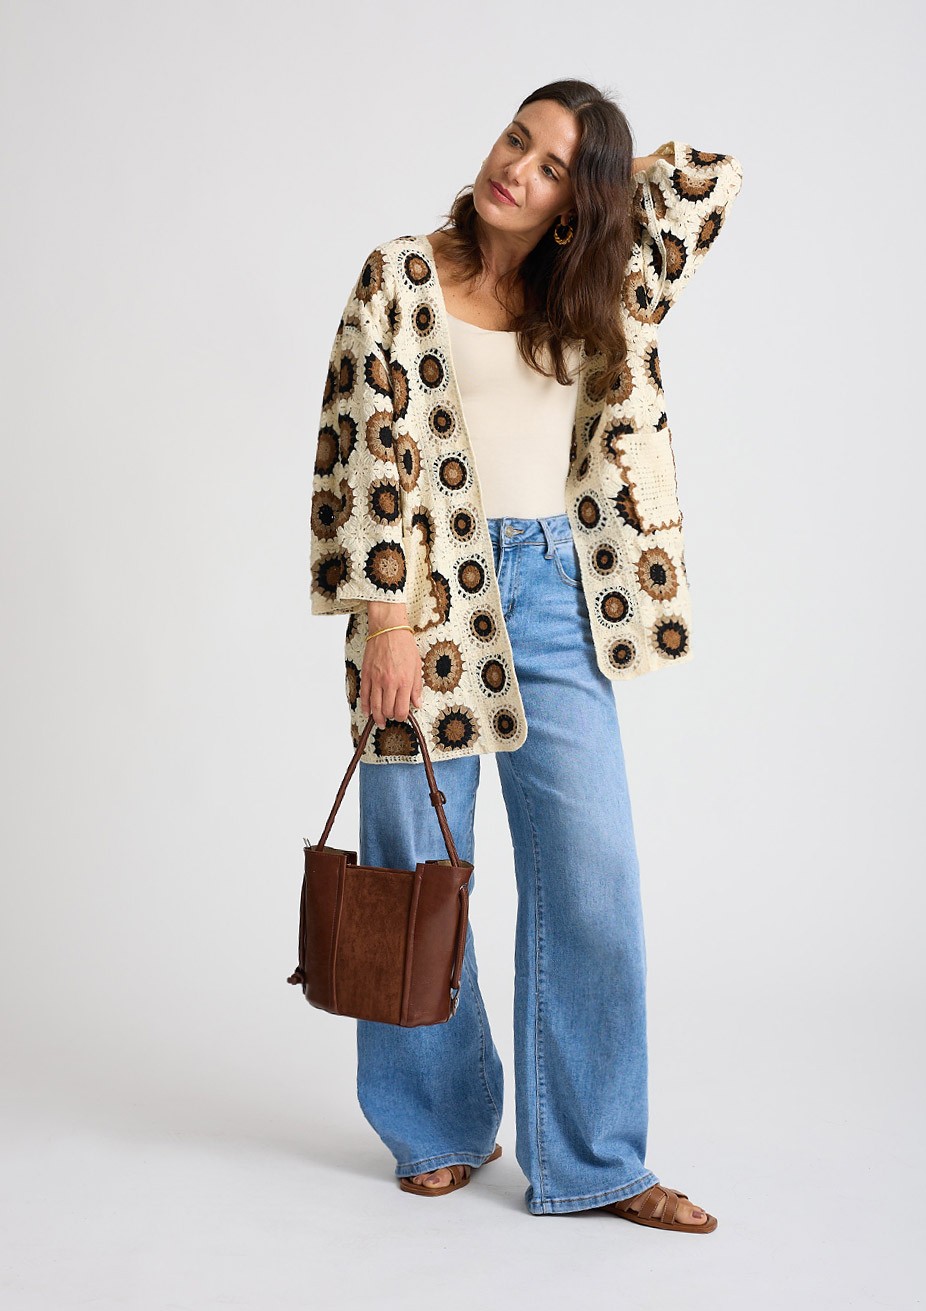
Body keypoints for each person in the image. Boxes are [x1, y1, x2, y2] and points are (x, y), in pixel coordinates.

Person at [309, 78, 742, 1230]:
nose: (518, 168)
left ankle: (596, 1158)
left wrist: (602, 180)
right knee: (416, 868)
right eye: (517, 139)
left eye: (553, 165)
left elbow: (707, 182)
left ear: (576, 200)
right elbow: (362, 448)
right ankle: (435, 1127)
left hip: (556, 591)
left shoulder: (590, 285)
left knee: (592, 874)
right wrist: (385, 622)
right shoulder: (401, 275)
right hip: (423, 596)